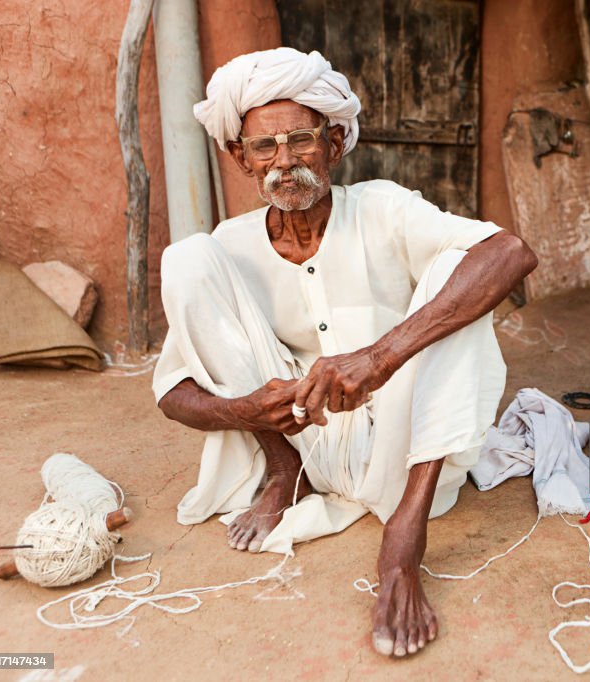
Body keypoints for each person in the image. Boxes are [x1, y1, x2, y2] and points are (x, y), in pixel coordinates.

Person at [152, 47, 537, 656]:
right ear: (240, 159)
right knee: (186, 257)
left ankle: (404, 539)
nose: (285, 163)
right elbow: (172, 394)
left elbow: (512, 253)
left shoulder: (382, 208)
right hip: (300, 442)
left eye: (301, 141)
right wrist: (250, 409)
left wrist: (378, 358)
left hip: (403, 452)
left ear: (333, 143)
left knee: (461, 279)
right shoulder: (231, 248)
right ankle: (285, 475)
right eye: (264, 148)